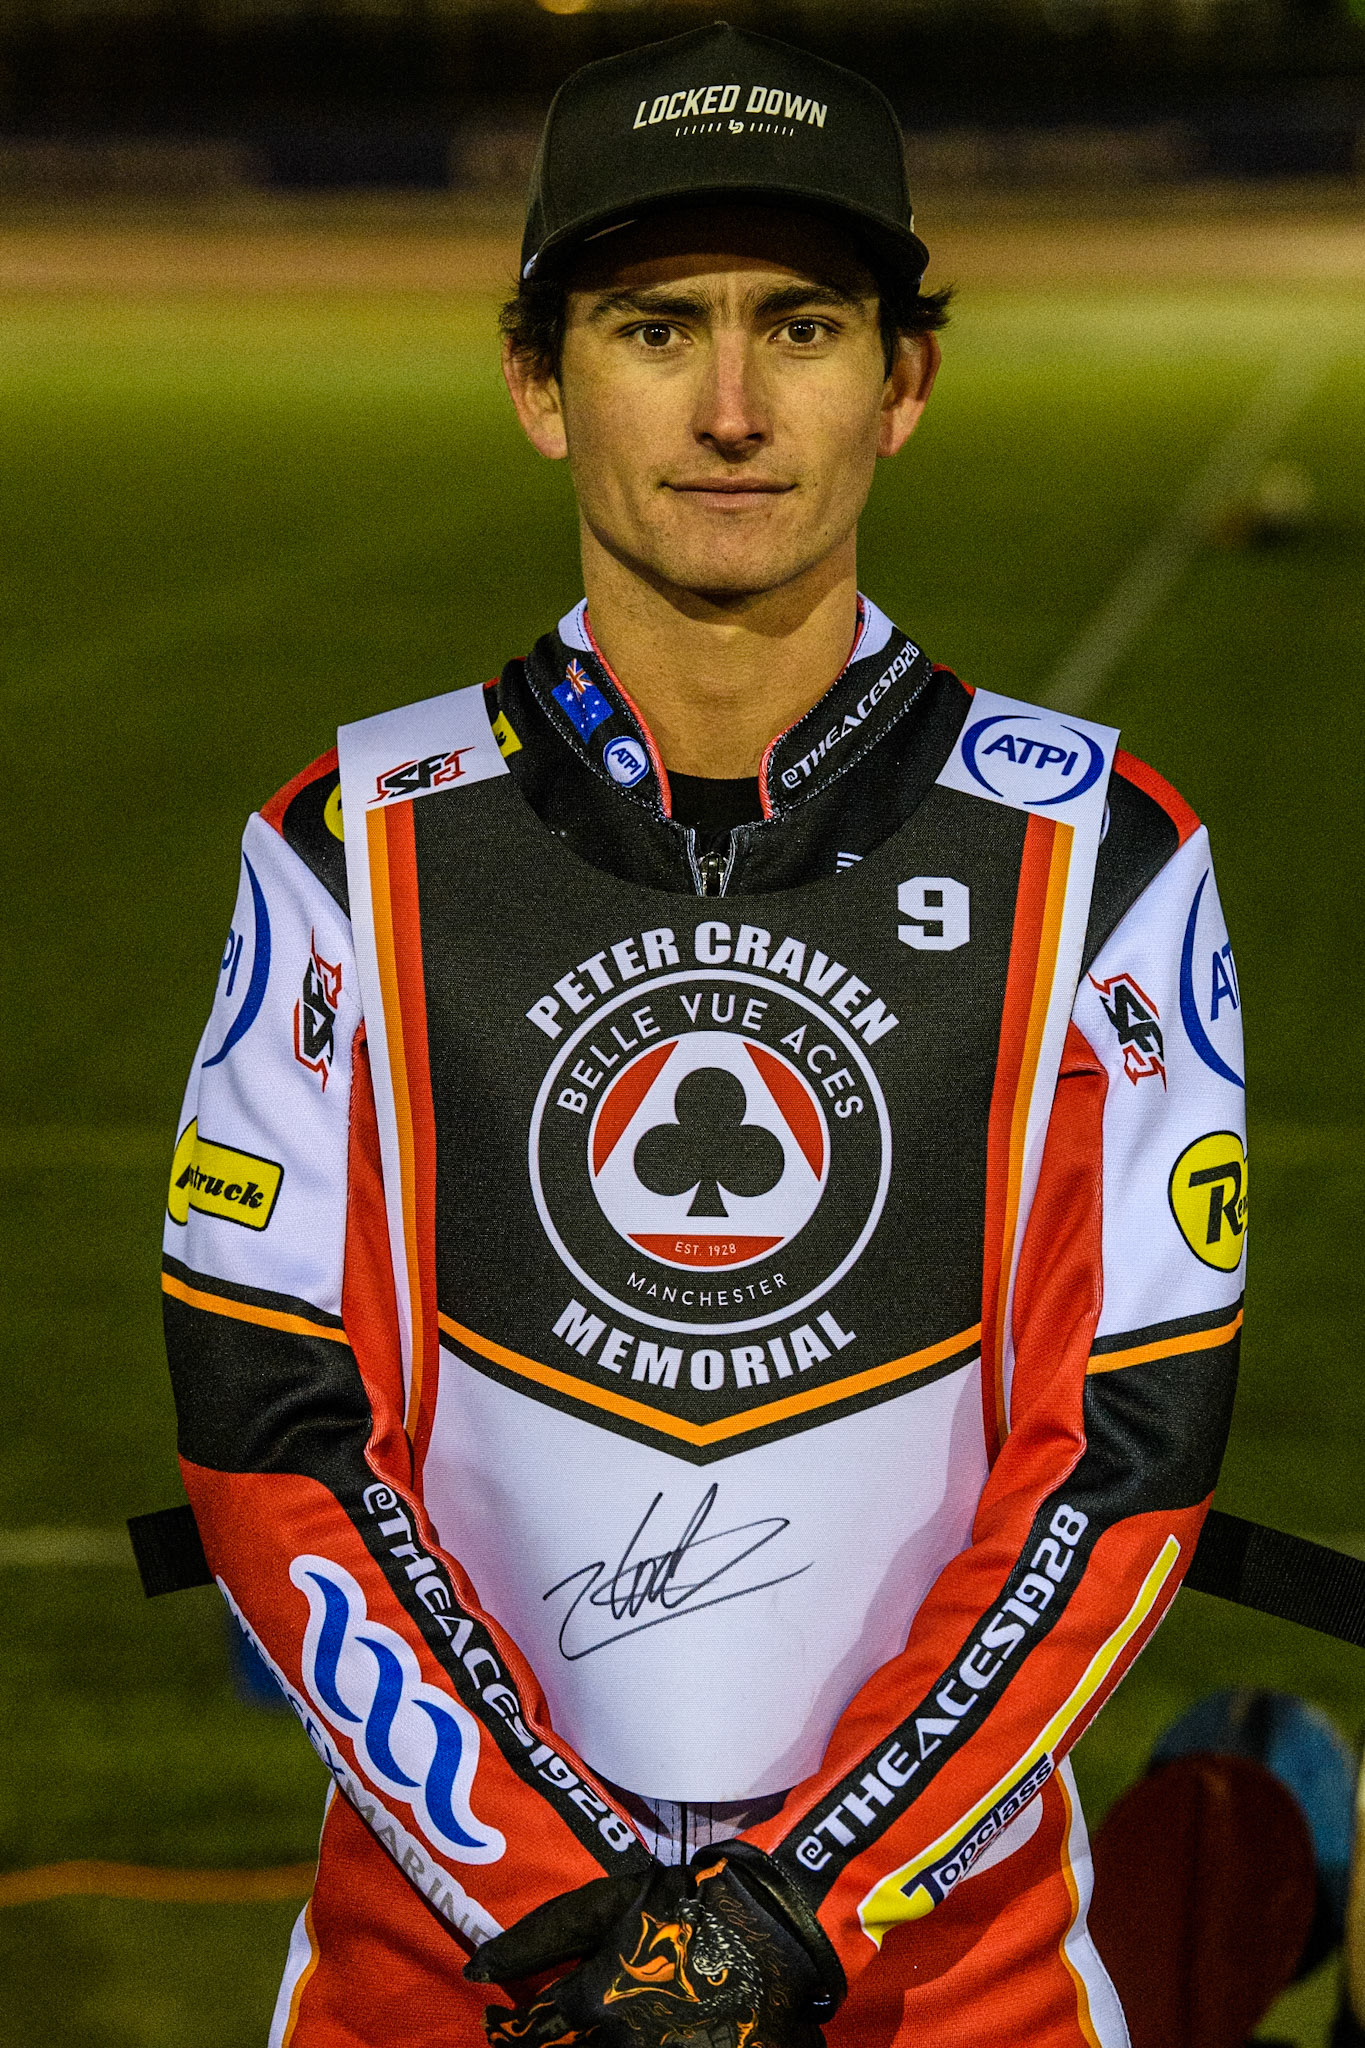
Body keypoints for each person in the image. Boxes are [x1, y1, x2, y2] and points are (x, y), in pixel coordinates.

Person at [160, 23, 1249, 2048]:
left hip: (946, 1977)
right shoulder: (341, 846)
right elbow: (271, 1430)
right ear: (533, 380)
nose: (732, 407)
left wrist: (801, 1905)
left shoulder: (1104, 849)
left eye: (804, 325)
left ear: (902, 382)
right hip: (453, 1971)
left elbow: (1117, 1459)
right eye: (654, 327)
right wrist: (563, 1901)